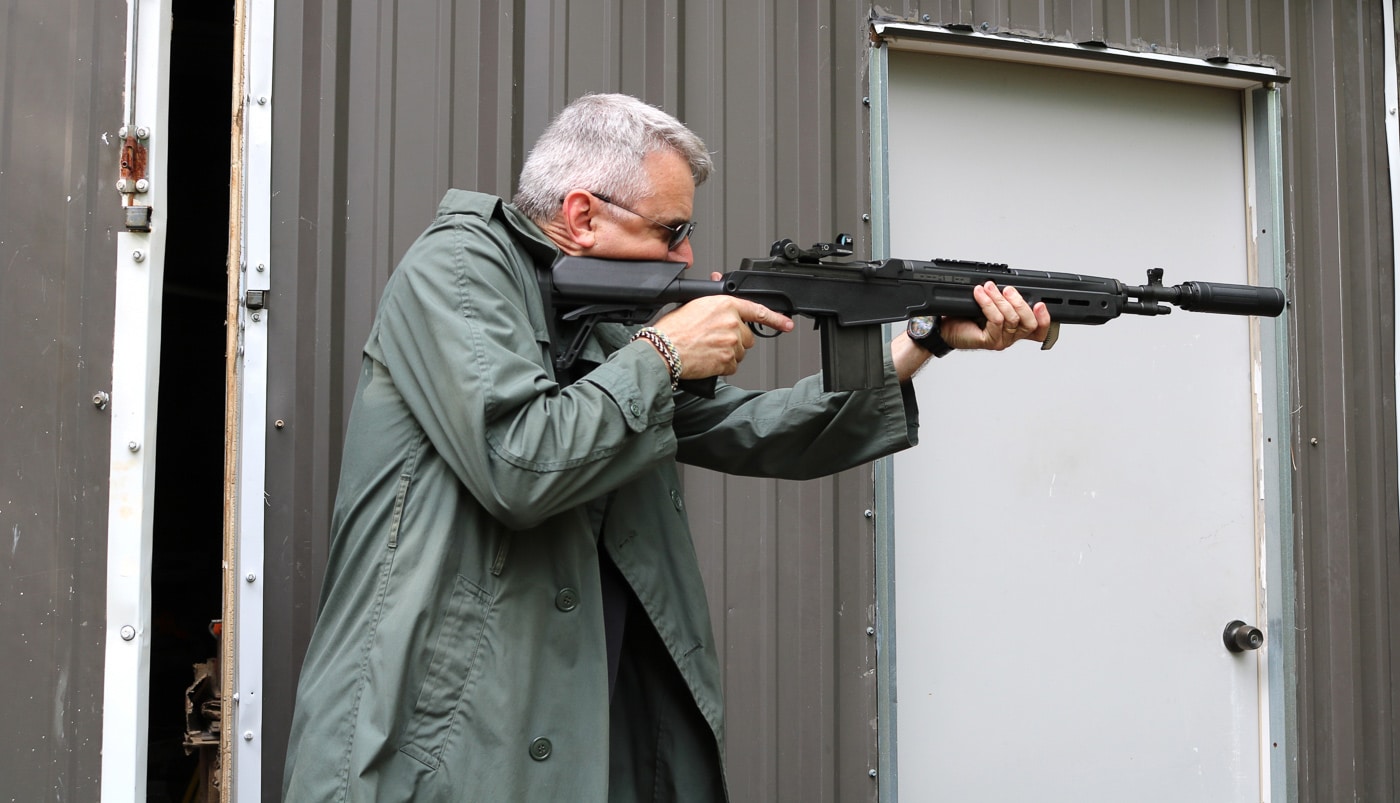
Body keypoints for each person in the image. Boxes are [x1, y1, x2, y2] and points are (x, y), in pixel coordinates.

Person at [282, 92, 1051, 802]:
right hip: (434, 751)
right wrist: (663, 351)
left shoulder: (598, 320)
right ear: (582, 215)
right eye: (671, 230)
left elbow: (750, 427)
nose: (686, 257)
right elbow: (518, 462)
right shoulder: (457, 268)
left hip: (582, 742)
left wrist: (925, 341)